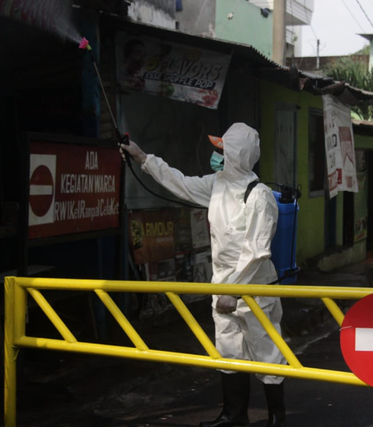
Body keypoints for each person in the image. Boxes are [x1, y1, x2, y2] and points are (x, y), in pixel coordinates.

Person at [120, 123, 287, 427]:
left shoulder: (259, 196)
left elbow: (255, 251)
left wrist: (233, 291)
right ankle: (234, 416)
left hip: (256, 290)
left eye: (222, 150)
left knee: (267, 352)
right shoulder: (217, 184)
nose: (216, 155)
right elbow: (180, 182)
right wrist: (143, 158)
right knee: (228, 350)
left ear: (238, 154)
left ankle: (278, 418)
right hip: (223, 287)